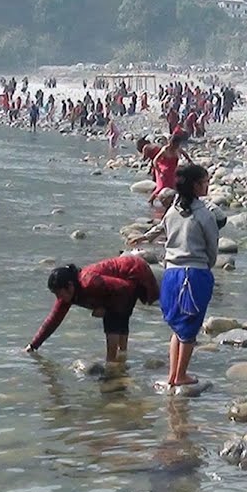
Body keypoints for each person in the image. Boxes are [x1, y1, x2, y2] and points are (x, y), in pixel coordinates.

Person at [133, 164, 220, 387]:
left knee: (177, 327)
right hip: (194, 274)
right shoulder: (205, 214)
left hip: (171, 274)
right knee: (189, 327)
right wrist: (207, 267)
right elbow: (212, 248)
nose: (208, 185)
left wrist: (145, 237)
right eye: (205, 182)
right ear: (195, 186)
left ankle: (173, 375)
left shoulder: (172, 211)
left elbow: (161, 228)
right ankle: (180, 376)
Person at [25, 255, 160, 363]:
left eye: (59, 293)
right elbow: (53, 320)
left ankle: (112, 363)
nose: (58, 297)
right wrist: (33, 345)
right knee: (118, 315)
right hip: (123, 282)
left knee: (113, 320)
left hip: (134, 271)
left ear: (70, 286)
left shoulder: (90, 282)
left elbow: (124, 288)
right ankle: (121, 358)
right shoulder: (67, 295)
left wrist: (104, 307)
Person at [148, 133, 193, 206]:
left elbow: (185, 154)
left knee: (173, 187)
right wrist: (160, 173)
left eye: (178, 144)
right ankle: (150, 202)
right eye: (175, 144)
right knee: (161, 188)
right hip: (163, 170)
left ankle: (172, 204)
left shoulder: (177, 148)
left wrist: (190, 161)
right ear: (171, 143)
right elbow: (155, 161)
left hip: (172, 170)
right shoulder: (165, 149)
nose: (176, 146)